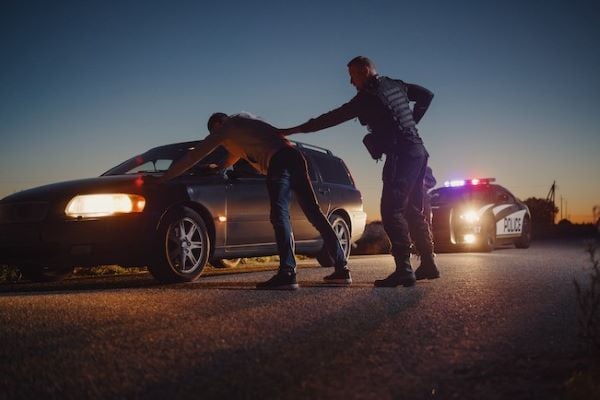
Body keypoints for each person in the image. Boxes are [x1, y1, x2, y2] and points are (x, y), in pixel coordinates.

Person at [280, 56, 440, 287]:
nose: (351, 82)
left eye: (352, 76)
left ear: (365, 70)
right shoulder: (396, 84)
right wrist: (410, 125)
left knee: (391, 211)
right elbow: (427, 95)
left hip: (401, 155)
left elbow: (330, 118)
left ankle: (404, 268)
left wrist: (293, 130)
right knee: (413, 209)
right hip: (418, 152)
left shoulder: (367, 98)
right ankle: (428, 263)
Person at [160, 112, 351, 290]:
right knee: (314, 213)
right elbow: (231, 159)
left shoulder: (227, 127)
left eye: (214, 133)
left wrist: (166, 177)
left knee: (279, 215)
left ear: (217, 125)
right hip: (295, 157)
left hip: (278, 161)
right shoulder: (245, 127)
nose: (217, 140)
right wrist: (217, 167)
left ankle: (287, 272)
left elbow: (196, 154)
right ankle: (342, 270)